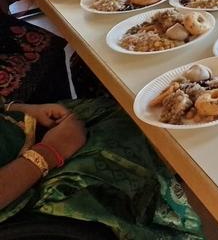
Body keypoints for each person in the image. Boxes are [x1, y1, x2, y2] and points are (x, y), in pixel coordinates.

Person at [0, 96, 203, 238]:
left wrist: (15, 108)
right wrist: (50, 152)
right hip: (21, 194)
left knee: (125, 109)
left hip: (18, 134)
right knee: (124, 140)